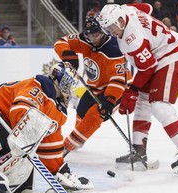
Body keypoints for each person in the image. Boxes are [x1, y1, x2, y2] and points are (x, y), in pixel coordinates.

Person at [0, 62, 93, 193]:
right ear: (60, 81)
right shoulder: (39, 87)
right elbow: (20, 110)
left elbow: (49, 143)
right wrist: (27, 137)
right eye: (68, 85)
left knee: (22, 177)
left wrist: (60, 170)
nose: (70, 91)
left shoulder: (57, 109)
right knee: (14, 151)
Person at [98, 3, 178, 173]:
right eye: (108, 28)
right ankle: (139, 151)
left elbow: (148, 67)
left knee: (158, 104)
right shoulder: (126, 9)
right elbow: (147, 7)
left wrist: (131, 91)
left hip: (169, 53)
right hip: (157, 54)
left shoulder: (132, 39)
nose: (111, 32)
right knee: (142, 102)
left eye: (112, 26)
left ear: (120, 20)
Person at [54, 16, 132, 152]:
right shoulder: (84, 39)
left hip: (119, 88)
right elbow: (61, 41)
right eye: (89, 36)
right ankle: (79, 138)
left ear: (103, 32)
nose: (93, 39)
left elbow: (118, 80)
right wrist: (67, 54)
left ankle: (68, 145)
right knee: (80, 112)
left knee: (97, 113)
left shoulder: (114, 49)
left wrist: (110, 99)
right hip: (95, 86)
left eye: (96, 35)